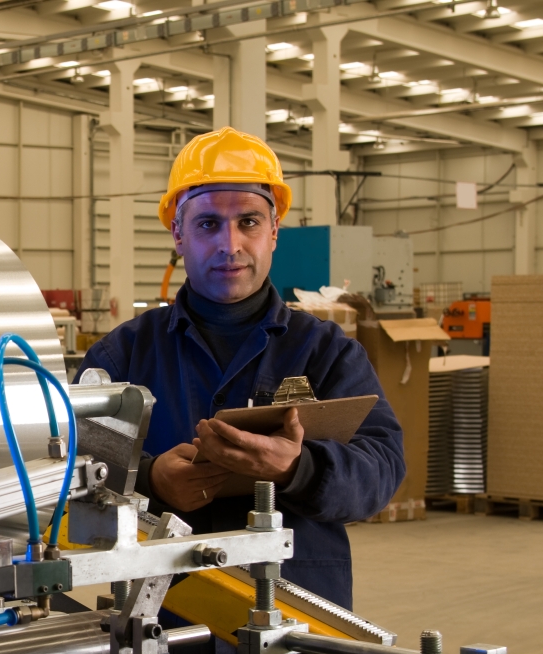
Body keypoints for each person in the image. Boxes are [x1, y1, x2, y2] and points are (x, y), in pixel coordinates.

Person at [77, 127, 404, 614]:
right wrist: (149, 481)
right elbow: (72, 476)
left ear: (273, 232)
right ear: (178, 235)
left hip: (297, 614)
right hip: (164, 618)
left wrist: (299, 469)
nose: (230, 244)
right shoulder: (122, 355)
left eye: (248, 221)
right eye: (208, 224)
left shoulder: (328, 353)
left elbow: (383, 467)